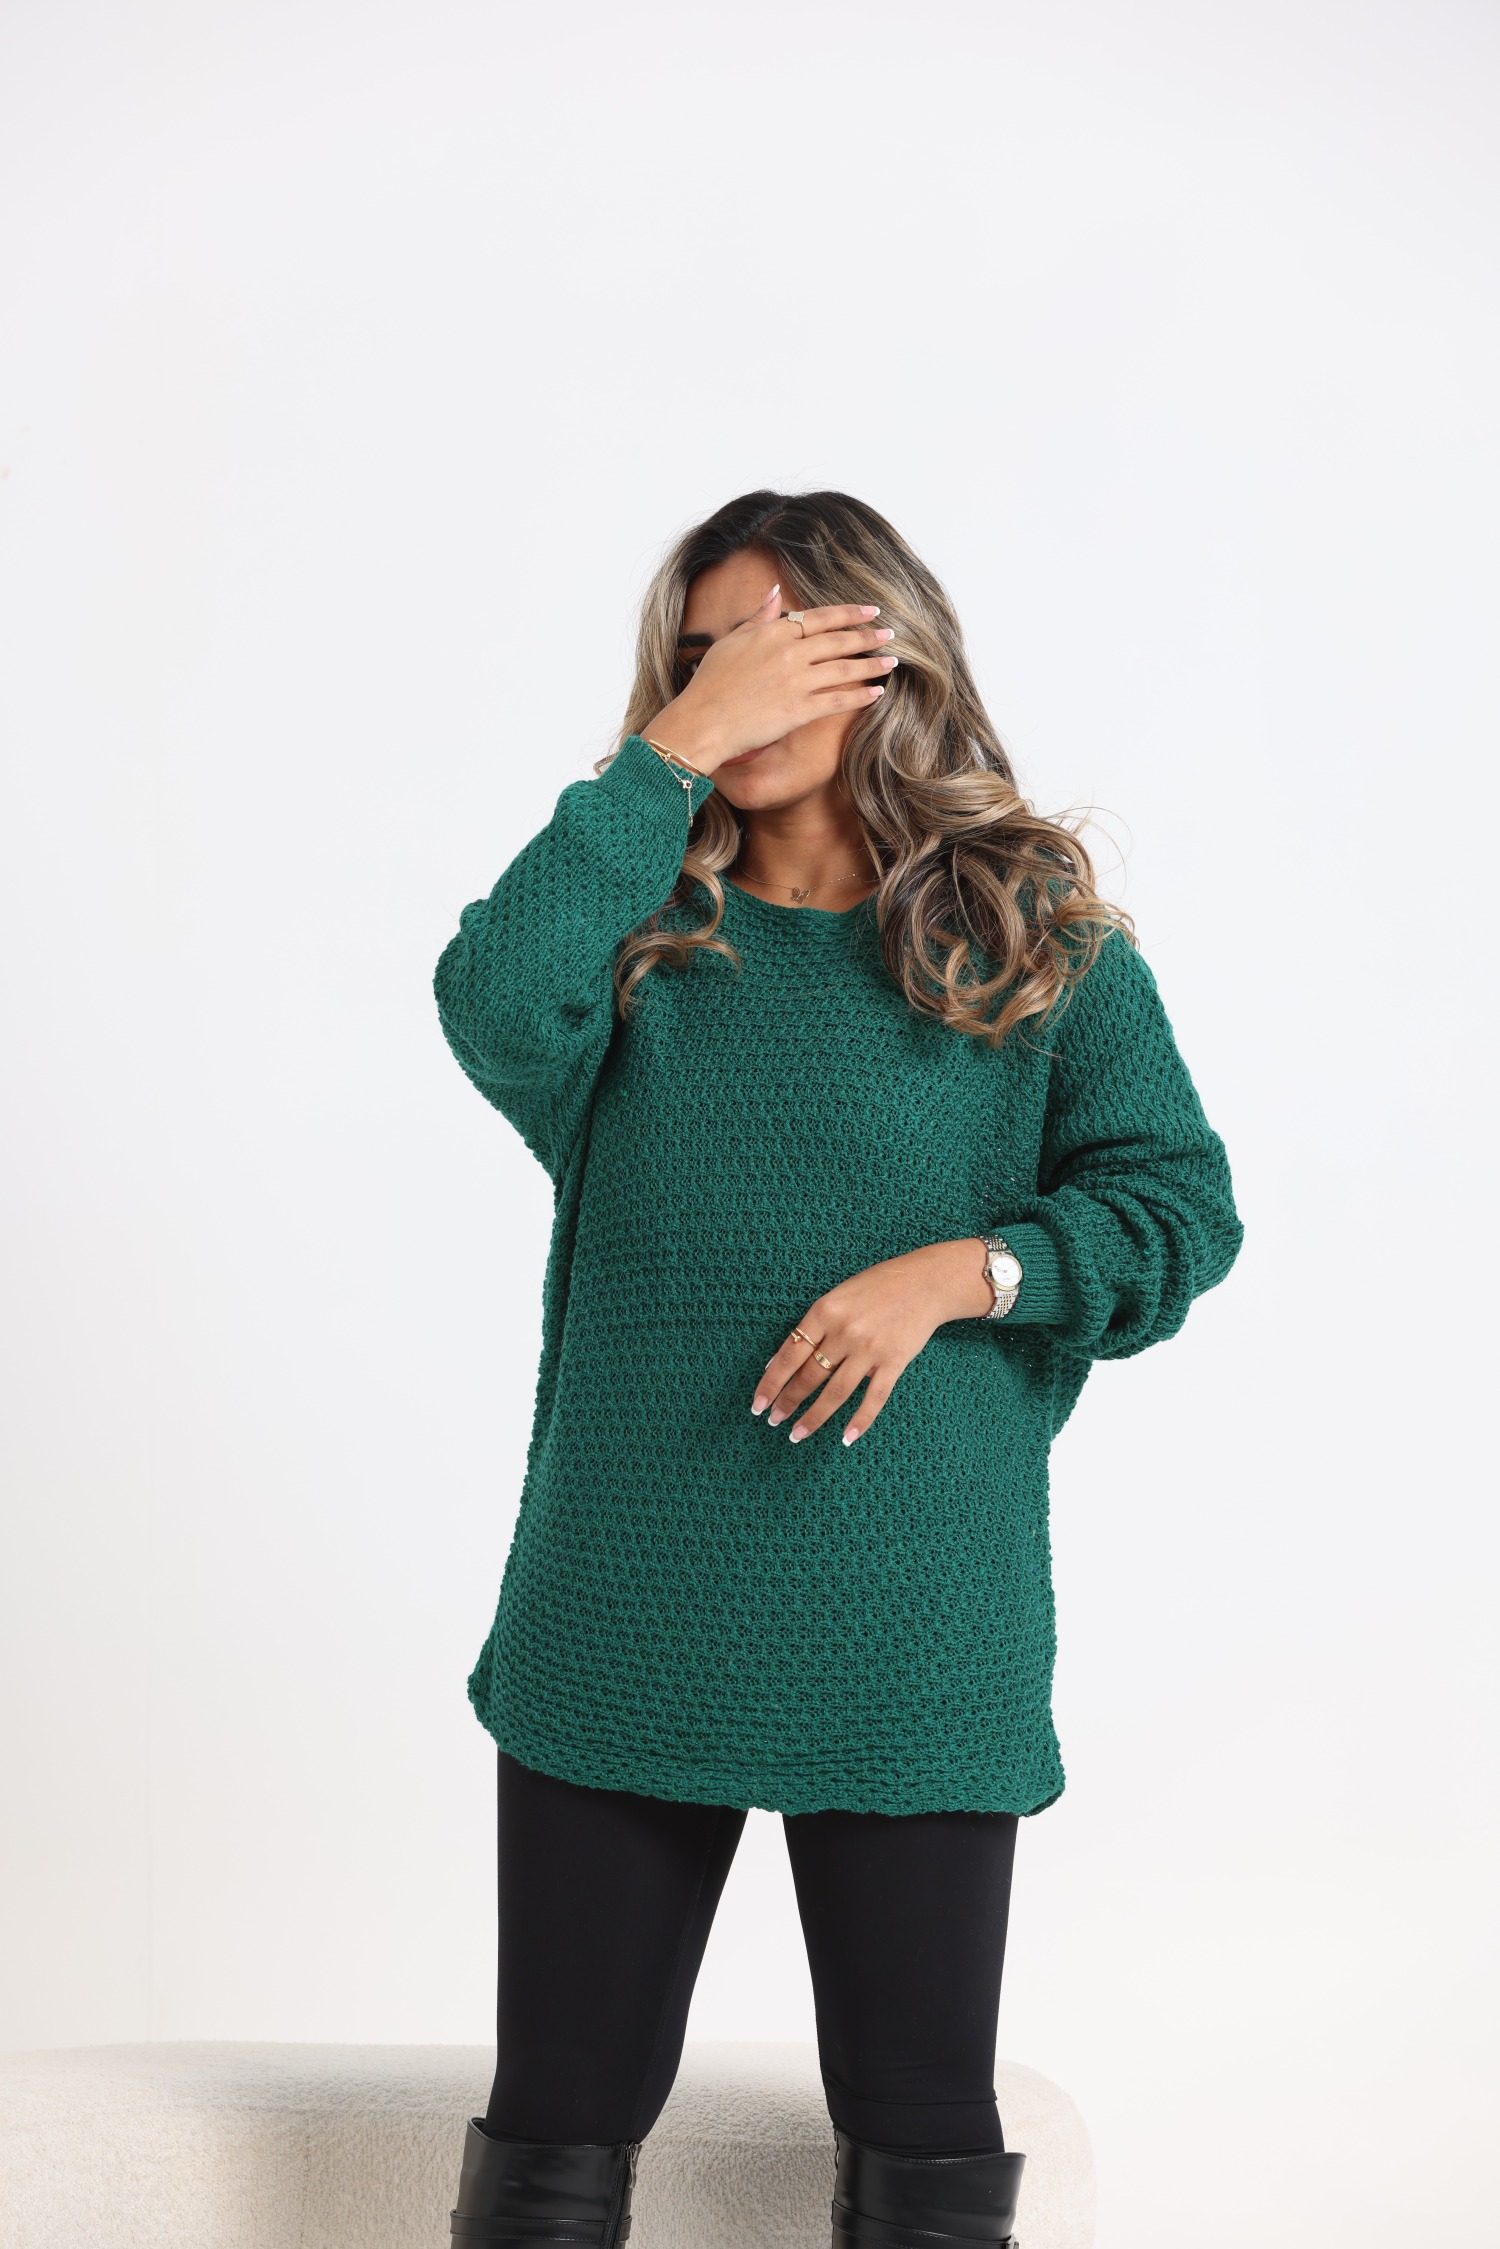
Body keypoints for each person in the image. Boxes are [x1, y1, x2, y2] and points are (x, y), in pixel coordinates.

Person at [432, 489, 1243, 2249]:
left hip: (912, 1620)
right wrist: (661, 765)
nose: (731, 686)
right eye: (700, 657)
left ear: (880, 661)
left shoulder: (1031, 935)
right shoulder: (637, 935)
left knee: (922, 2118)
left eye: (773, 647)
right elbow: (488, 1005)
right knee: (560, 2112)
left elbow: (1178, 1210)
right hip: (627, 1601)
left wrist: (960, 1273)